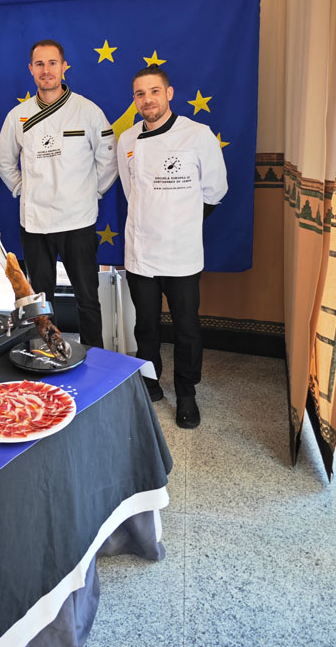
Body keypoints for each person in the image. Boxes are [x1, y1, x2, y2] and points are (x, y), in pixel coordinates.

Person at [117, 64, 227, 428]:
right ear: (135, 100)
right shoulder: (127, 140)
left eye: (153, 91)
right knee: (145, 325)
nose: (147, 100)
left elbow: (215, 190)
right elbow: (131, 191)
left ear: (169, 93)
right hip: (141, 252)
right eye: (140, 94)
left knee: (186, 327)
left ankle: (186, 392)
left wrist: (180, 221)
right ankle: (150, 381)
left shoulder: (197, 135)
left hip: (182, 253)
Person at [0, 39, 118, 348]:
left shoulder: (87, 111)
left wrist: (92, 191)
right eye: (39, 64)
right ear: (31, 70)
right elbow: (4, 160)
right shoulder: (17, 116)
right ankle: (43, 353)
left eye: (52, 63)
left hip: (78, 219)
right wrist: (23, 189)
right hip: (35, 223)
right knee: (40, 300)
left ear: (64, 67)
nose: (46, 70)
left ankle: (95, 356)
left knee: (87, 298)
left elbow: (108, 157)